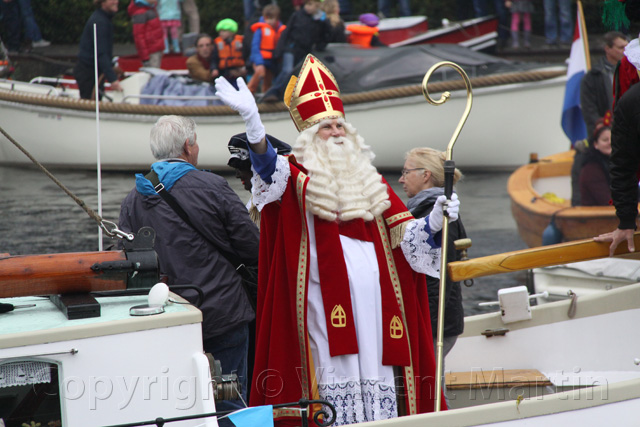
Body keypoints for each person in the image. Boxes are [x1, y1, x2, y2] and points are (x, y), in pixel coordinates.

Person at [215, 54, 460, 424]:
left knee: (379, 386)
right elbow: (266, 167)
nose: (337, 133)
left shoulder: (370, 180)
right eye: (327, 127)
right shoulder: (295, 177)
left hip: (377, 316)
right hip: (322, 310)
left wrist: (436, 222)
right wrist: (254, 128)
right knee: (333, 386)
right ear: (311, 135)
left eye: (340, 125)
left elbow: (407, 238)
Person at [118, 115, 260, 417]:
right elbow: (252, 246)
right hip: (223, 314)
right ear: (189, 145)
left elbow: (126, 259)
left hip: (169, 318)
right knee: (231, 402)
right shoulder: (212, 186)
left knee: (179, 405)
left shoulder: (133, 199)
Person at [399, 147, 466, 407]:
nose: (401, 179)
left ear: (425, 175)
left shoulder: (437, 213)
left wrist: (426, 324)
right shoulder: (430, 208)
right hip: (438, 317)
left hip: (435, 320)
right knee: (431, 384)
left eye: (406, 172)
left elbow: (436, 277)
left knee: (430, 389)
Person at [571, 32, 627, 206]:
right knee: (582, 161)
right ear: (607, 49)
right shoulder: (592, 77)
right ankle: (578, 207)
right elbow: (589, 110)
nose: (625, 51)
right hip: (603, 132)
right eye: (620, 47)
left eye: (627, 47)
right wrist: (604, 131)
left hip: (628, 134)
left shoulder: (633, 73)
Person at [260, 0, 330, 102]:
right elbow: (286, 33)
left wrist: (324, 23)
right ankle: (272, 92)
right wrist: (278, 51)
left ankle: (283, 95)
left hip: (303, 51)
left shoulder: (320, 21)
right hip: (291, 48)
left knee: (296, 73)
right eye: (307, 4)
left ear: (317, 6)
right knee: (287, 70)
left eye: (311, 5)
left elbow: (324, 36)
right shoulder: (297, 15)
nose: (308, 7)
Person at [74, 0, 123, 100]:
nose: (116, 1)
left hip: (93, 71)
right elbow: (101, 54)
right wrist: (113, 79)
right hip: (89, 73)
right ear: (103, 2)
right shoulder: (100, 22)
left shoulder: (104, 19)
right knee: (91, 105)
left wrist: (112, 67)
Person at [246, 4, 286, 94]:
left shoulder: (281, 30)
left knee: (268, 80)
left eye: (271, 18)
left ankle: (266, 96)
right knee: (260, 72)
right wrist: (258, 62)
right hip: (260, 59)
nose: (269, 21)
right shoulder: (260, 29)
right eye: (267, 18)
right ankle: (249, 91)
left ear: (277, 18)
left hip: (271, 61)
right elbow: (255, 47)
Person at [579, 118, 612, 206]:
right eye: (605, 140)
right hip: (598, 217)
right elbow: (607, 201)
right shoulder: (591, 169)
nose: (610, 143)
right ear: (596, 144)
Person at [127, 0, 164, 68]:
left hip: (156, 49)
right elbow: (139, 37)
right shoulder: (140, 12)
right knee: (153, 75)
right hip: (150, 52)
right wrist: (145, 58)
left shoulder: (150, 8)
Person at [210, 18, 247, 84]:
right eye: (220, 31)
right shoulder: (218, 43)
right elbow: (214, 58)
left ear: (232, 31)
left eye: (224, 31)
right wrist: (214, 69)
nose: (221, 33)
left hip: (239, 71)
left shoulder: (241, 41)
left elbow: (246, 55)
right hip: (224, 73)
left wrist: (245, 68)